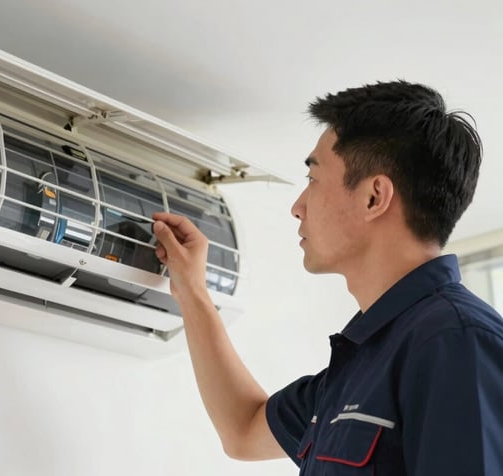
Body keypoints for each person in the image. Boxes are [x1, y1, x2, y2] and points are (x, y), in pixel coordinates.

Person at [152, 80, 503, 475]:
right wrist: (193, 292)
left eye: (313, 179)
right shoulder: (359, 363)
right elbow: (243, 429)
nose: (297, 207)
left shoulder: (457, 341)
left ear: (374, 197)